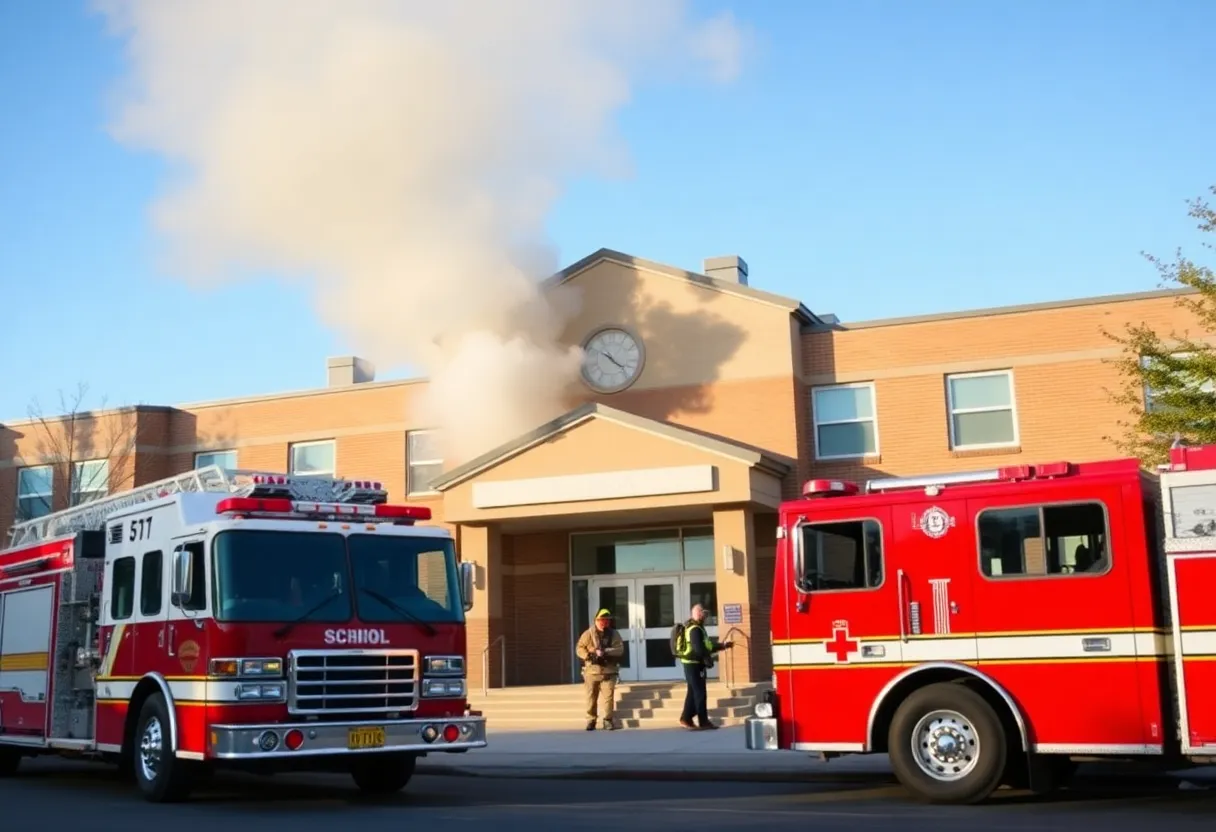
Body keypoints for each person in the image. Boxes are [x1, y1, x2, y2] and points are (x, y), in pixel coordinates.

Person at [675, 604, 732, 730]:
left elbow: (707, 645)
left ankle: (686, 718)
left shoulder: (695, 627)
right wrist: (707, 659)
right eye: (703, 613)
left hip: (691, 664)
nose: (705, 616)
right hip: (694, 664)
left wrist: (722, 646)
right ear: (698, 614)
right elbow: (699, 649)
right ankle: (703, 721)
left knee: (692, 692)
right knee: (700, 693)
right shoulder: (695, 629)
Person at [575, 608, 625, 731]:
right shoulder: (588, 634)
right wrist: (589, 655)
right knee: (591, 697)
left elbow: (620, 649)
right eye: (601, 620)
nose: (604, 622)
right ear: (596, 620)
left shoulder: (614, 634)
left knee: (608, 698)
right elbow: (579, 648)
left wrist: (605, 652)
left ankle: (608, 720)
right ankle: (591, 720)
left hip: (609, 671)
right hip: (592, 672)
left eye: (607, 620)